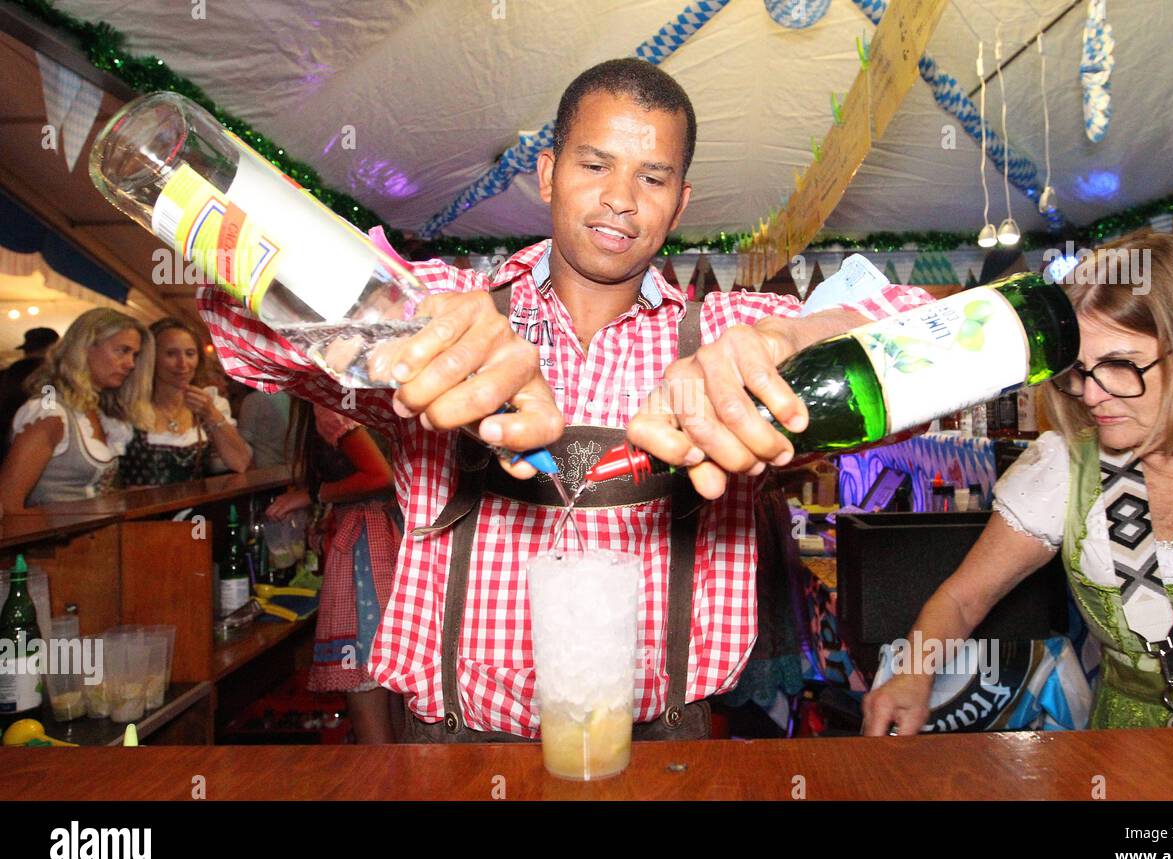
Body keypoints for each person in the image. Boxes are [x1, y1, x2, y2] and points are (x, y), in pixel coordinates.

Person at [197, 58, 933, 743]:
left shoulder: (724, 336)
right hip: (458, 745)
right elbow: (235, 323)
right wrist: (404, 324)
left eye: (653, 178)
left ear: (680, 203)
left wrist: (798, 335)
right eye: (595, 164)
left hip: (660, 746)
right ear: (547, 173)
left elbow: (938, 335)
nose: (620, 198)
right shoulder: (445, 312)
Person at [863, 232, 1173, 734]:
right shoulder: (1065, 467)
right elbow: (964, 598)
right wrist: (912, 675)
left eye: (1119, 365)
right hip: (1131, 761)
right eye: (1077, 370)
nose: (1091, 396)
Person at [265, 400, 400, 744]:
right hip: (387, 535)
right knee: (392, 684)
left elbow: (379, 475)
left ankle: (382, 784)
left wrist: (314, 494)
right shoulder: (359, 397)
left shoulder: (330, 407)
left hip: (366, 547)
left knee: (364, 677)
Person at [0, 309, 152, 510]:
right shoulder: (50, 411)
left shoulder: (95, 410)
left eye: (135, 355)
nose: (131, 364)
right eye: (122, 351)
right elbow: (8, 502)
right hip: (54, 539)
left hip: (95, 538)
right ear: (86, 347)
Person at [118, 318, 252, 486]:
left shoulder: (209, 404)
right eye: (171, 354)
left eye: (190, 354)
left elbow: (240, 463)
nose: (183, 364)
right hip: (142, 510)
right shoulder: (128, 406)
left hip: (196, 511)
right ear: (150, 358)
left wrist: (212, 415)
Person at [0, 327, 59, 465]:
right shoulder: (49, 377)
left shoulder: (7, 373)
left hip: (5, 439)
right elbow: (48, 409)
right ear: (52, 348)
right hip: (34, 444)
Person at [238, 389, 291, 469]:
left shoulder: (253, 400)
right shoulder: (287, 397)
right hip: (291, 465)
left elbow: (243, 439)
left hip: (265, 468)